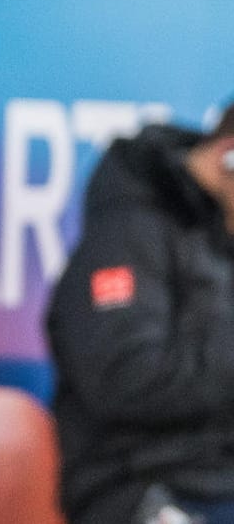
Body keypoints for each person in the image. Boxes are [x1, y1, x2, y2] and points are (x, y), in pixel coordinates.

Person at [47, 104, 234, 524]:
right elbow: (123, 379)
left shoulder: (221, 232)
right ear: (229, 156)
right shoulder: (125, 235)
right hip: (139, 489)